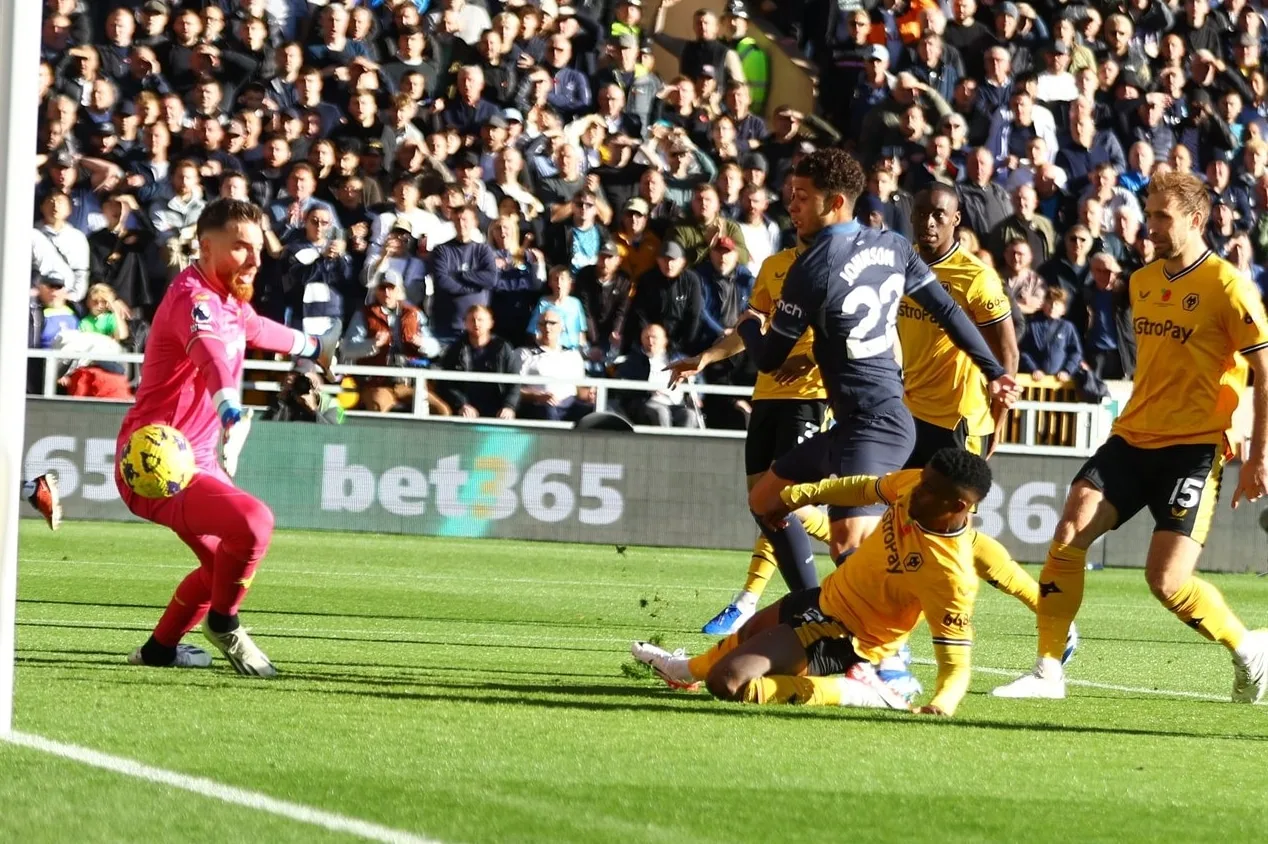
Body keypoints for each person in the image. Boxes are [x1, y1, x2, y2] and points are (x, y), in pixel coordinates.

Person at [994, 171, 1268, 702]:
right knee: (1070, 528)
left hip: (1192, 448)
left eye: (1163, 216)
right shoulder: (1142, 283)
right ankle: (1048, 669)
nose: (1152, 225)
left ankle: (1248, 649)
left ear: (1195, 219)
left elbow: (1265, 372)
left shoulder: (1229, 288)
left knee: (1165, 582)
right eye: (1150, 213)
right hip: (1133, 436)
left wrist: (1259, 454)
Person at [736, 148, 1017, 594]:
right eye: (792, 194)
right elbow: (947, 312)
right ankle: (813, 607)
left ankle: (884, 650)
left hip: (881, 423)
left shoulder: (811, 268)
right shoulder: (893, 246)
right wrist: (996, 371)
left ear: (835, 204)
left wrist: (749, 324)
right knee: (765, 500)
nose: (791, 205)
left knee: (871, 537)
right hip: (870, 421)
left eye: (803, 197)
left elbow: (769, 358)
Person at [115, 198, 333, 676]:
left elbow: (253, 328)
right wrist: (228, 406)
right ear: (205, 247)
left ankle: (159, 651)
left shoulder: (230, 298)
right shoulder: (193, 300)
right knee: (254, 523)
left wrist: (313, 346)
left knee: (221, 568)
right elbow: (211, 354)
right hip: (158, 466)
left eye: (256, 249)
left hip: (198, 462)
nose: (254, 260)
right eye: (240, 248)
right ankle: (224, 622)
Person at [632, 449, 992, 716]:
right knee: (743, 639)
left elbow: (956, 661)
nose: (917, 490)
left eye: (929, 489)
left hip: (850, 638)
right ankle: (680, 671)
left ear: (958, 505)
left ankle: (855, 690)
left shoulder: (951, 573)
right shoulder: (915, 484)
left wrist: (941, 705)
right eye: (922, 480)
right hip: (824, 599)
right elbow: (864, 489)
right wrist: (800, 497)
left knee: (727, 681)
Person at [902, 185, 1019, 467]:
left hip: (957, 418)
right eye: (921, 213)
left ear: (955, 219)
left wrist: (998, 420)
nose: (928, 222)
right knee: (900, 506)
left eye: (938, 215)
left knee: (954, 510)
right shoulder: (901, 263)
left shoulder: (977, 277)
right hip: (906, 412)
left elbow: (1008, 352)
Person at [438, 305, 521, 420]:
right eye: (472, 320)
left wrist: (509, 406)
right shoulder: (455, 349)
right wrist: (461, 404)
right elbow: (447, 383)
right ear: (465, 323)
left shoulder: (503, 347)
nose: (476, 323)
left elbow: (515, 382)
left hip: (498, 407)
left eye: (480, 320)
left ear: (491, 323)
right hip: (466, 409)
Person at [1018, 287, 1083, 381]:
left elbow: (1076, 352)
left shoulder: (1067, 327)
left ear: (1064, 309)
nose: (1053, 307)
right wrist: (1033, 369)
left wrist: (1067, 370)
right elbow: (1024, 351)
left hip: (1059, 383)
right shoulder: (1032, 325)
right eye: (1050, 302)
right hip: (1035, 381)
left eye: (1057, 304)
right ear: (1044, 304)